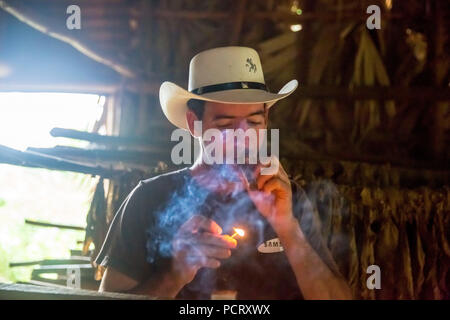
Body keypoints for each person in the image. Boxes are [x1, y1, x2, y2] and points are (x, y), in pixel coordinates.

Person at [95, 46, 352, 299]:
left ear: (267, 120)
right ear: (194, 123)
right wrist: (174, 274)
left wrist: (288, 229)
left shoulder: (288, 198)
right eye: (226, 124)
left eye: (253, 122)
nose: (243, 138)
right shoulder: (148, 199)